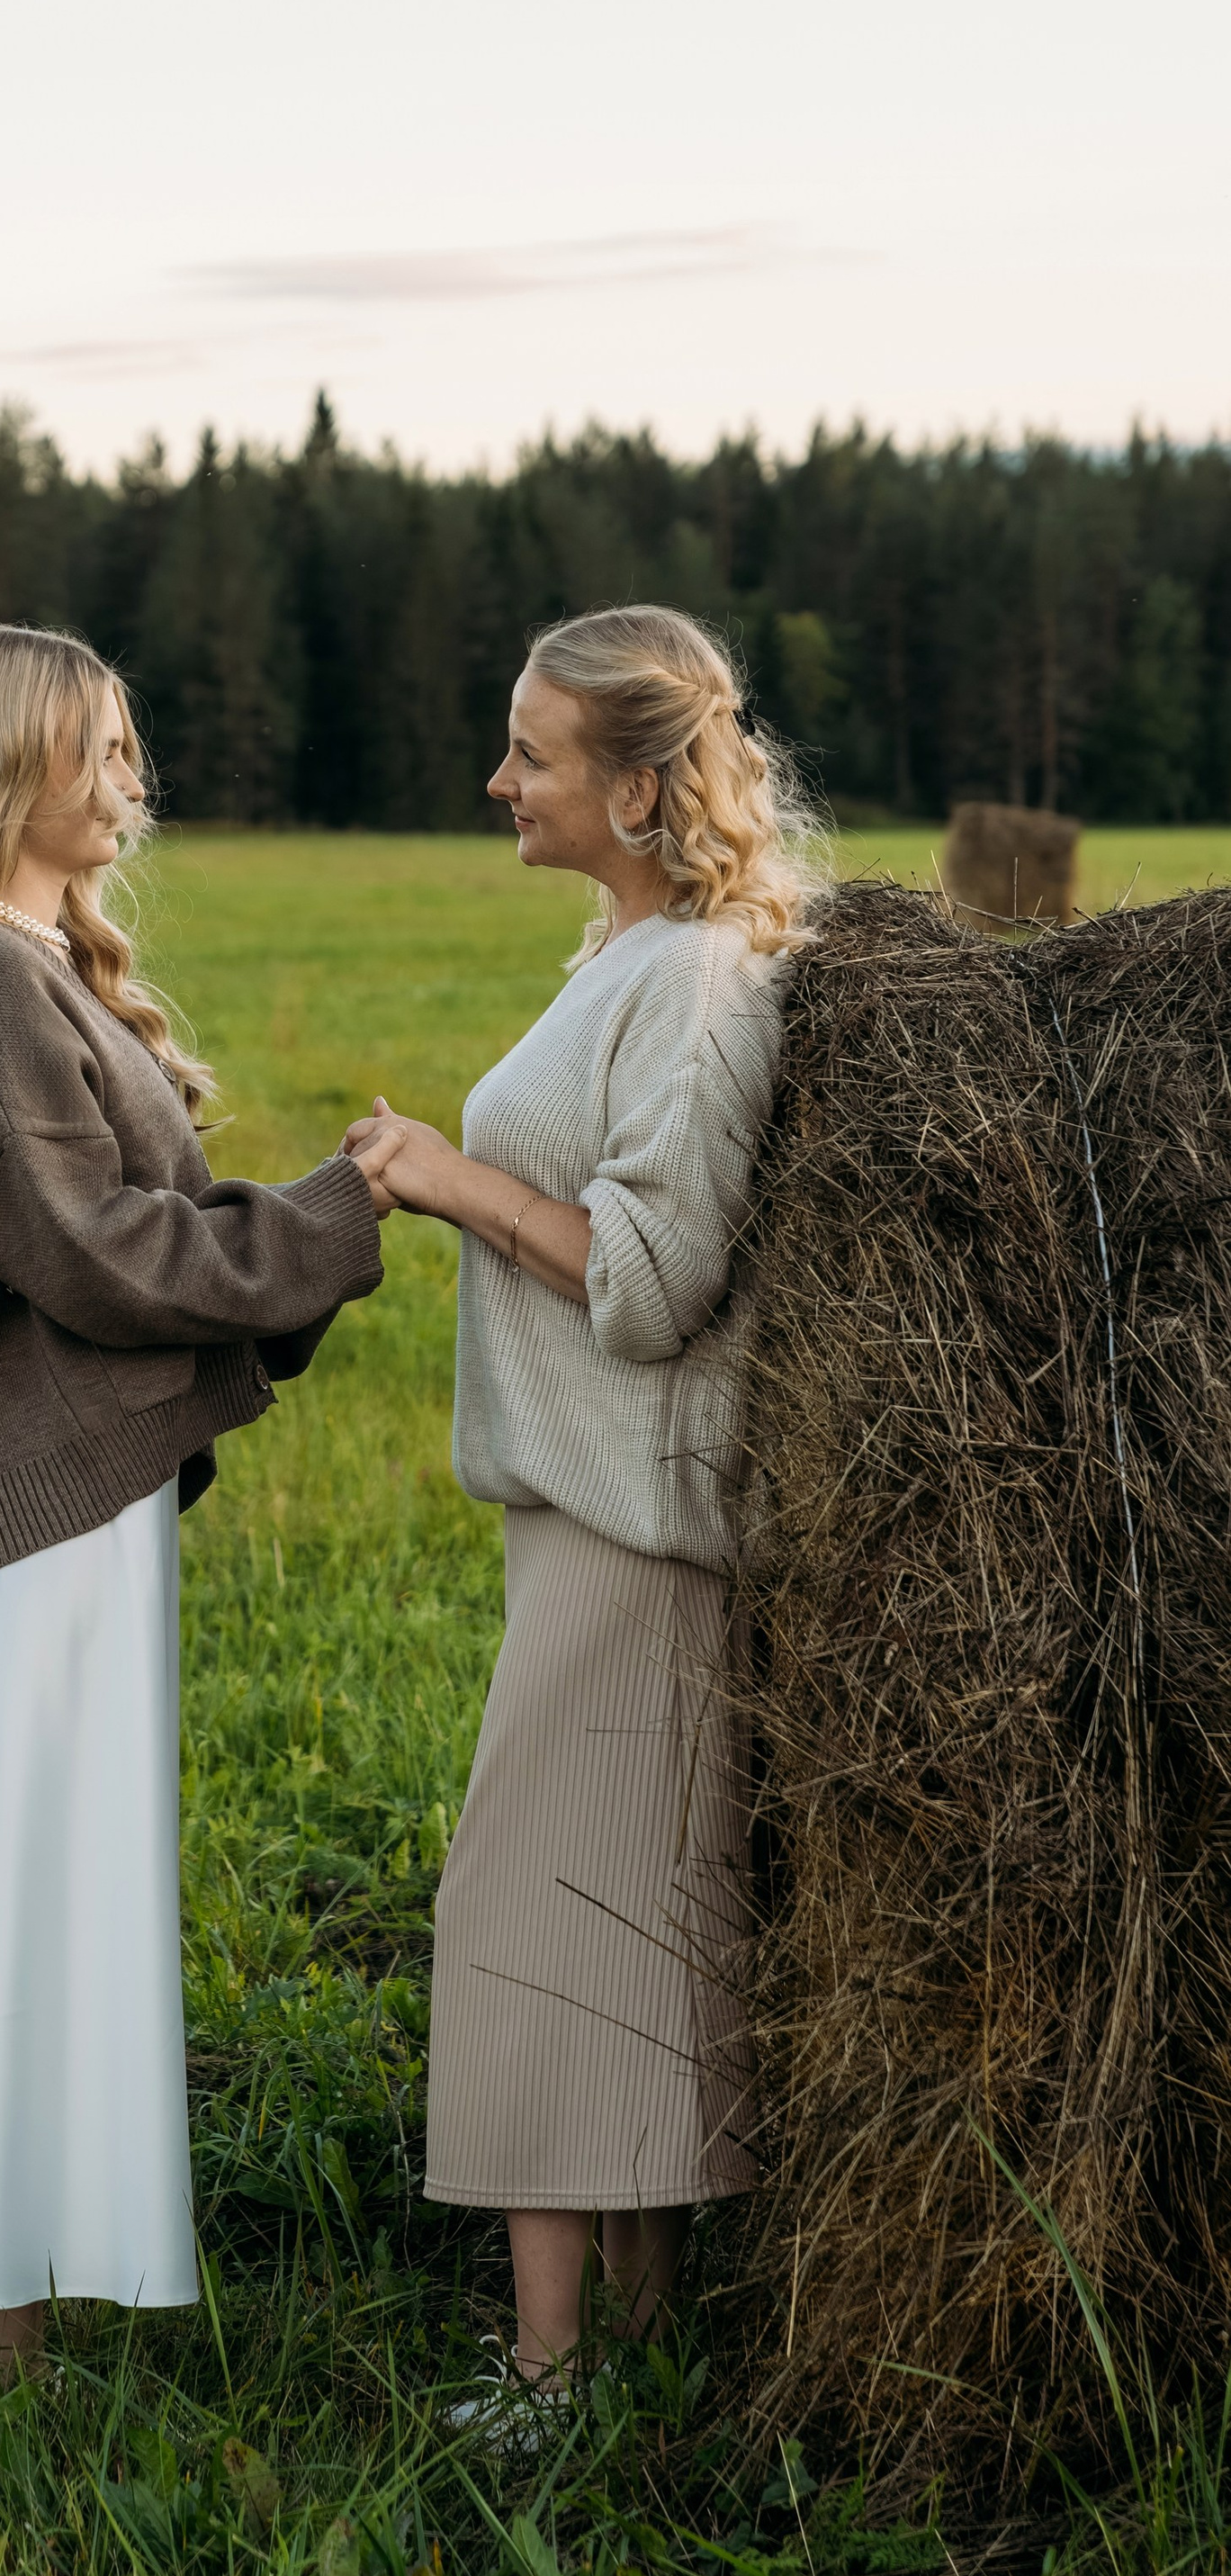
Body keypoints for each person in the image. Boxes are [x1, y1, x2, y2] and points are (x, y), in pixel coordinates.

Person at [0, 621, 392, 2385]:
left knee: (59, 1882)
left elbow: (134, 1232)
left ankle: (19, 2295)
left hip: (81, 1516)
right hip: (41, 1526)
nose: (135, 776)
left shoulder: (35, 961)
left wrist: (298, 1226)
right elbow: (93, 1254)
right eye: (104, 746)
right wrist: (333, 1215)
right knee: (31, 1886)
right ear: (11, 768)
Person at [345, 604, 822, 2409]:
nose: (496, 780)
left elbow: (647, 1284)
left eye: (528, 753)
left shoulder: (695, 981)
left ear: (632, 785)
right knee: (613, 1932)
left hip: (636, 1536)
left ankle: (550, 2387)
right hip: (582, 1523)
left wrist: (448, 1182)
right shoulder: (620, 952)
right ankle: (624, 2355)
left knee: (522, 1918)